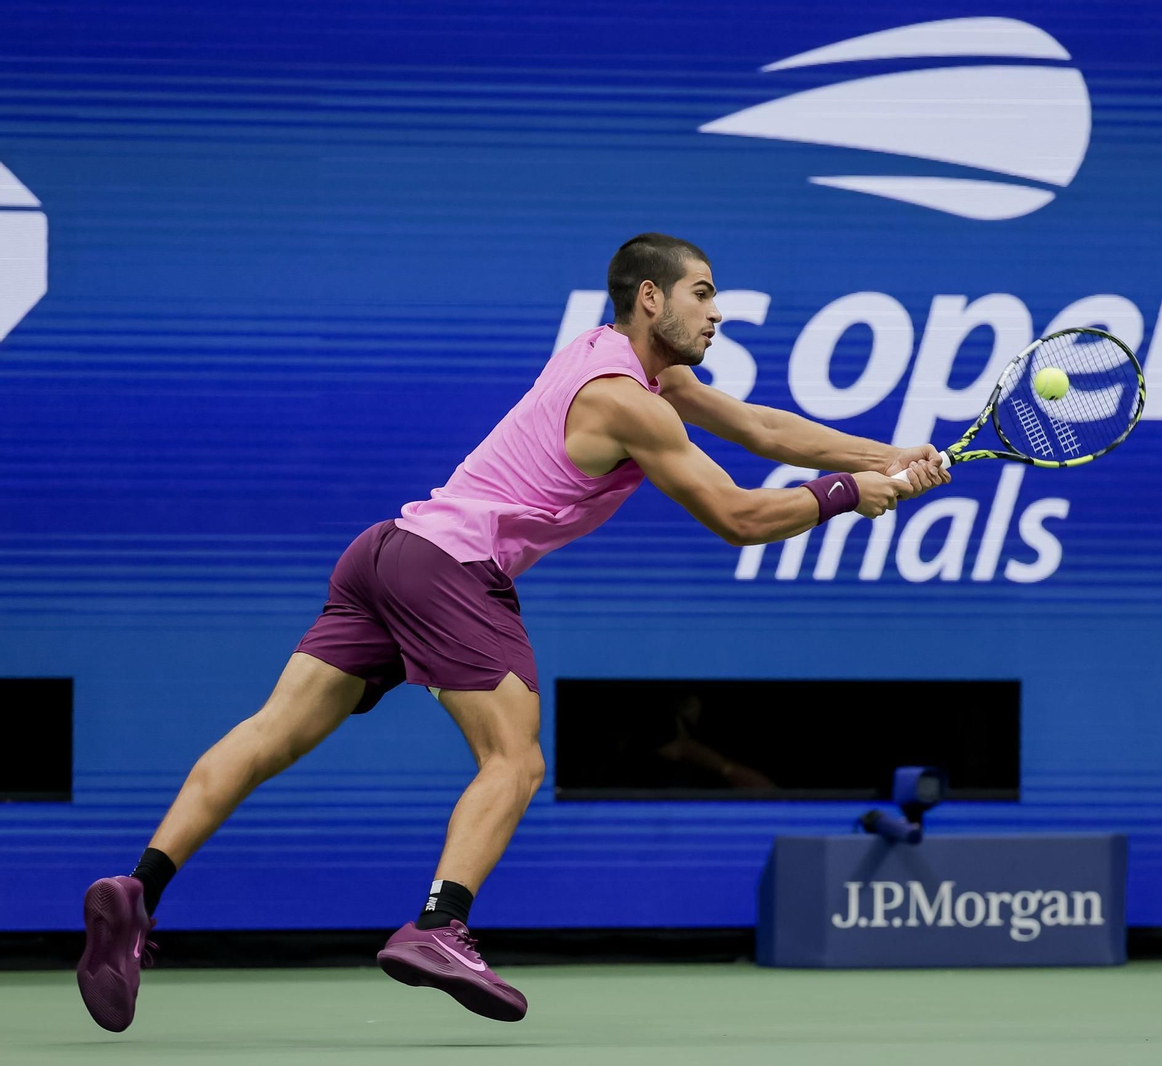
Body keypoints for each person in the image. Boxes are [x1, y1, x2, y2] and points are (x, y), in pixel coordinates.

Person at [75, 232, 950, 1029]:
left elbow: (765, 428)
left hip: (383, 551)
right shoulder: (631, 405)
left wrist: (890, 456)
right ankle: (439, 925)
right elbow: (737, 516)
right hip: (453, 567)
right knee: (516, 759)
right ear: (651, 298)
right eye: (703, 292)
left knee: (269, 735)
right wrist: (845, 498)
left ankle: (138, 887)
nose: (717, 312)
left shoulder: (621, 364)